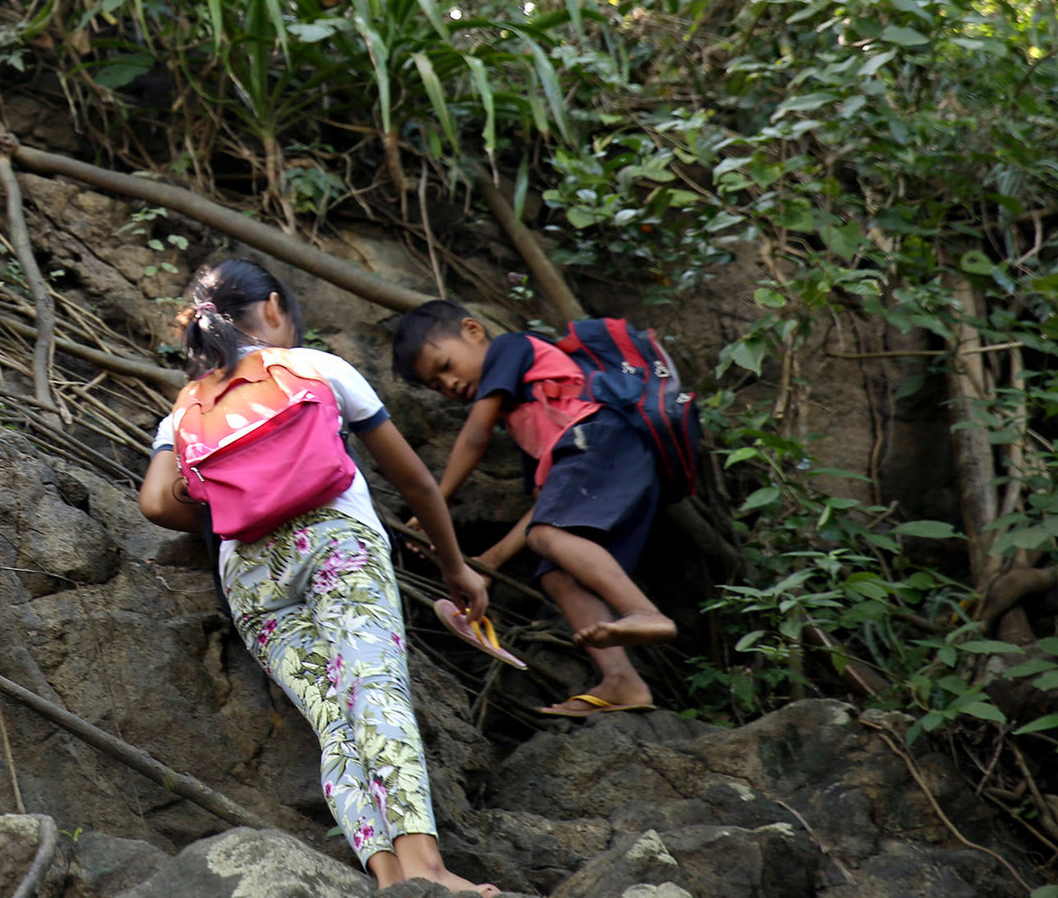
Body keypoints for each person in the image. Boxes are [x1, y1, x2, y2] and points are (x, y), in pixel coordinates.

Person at [139, 259, 495, 895]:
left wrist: (239, 501)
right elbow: (413, 479)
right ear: (273, 309)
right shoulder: (314, 367)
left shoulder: (186, 406)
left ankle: (388, 876)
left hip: (250, 577)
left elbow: (157, 503)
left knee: (334, 721)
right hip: (337, 546)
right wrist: (453, 566)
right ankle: (429, 871)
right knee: (374, 688)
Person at [393, 299, 673, 719]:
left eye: (446, 365)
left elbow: (474, 437)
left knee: (549, 535)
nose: (449, 384)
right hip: (608, 458)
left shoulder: (511, 348)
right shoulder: (530, 415)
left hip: (604, 437)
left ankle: (645, 613)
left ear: (472, 330)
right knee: (557, 573)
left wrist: (434, 498)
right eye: (436, 385)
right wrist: (490, 560)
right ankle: (622, 681)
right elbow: (545, 505)